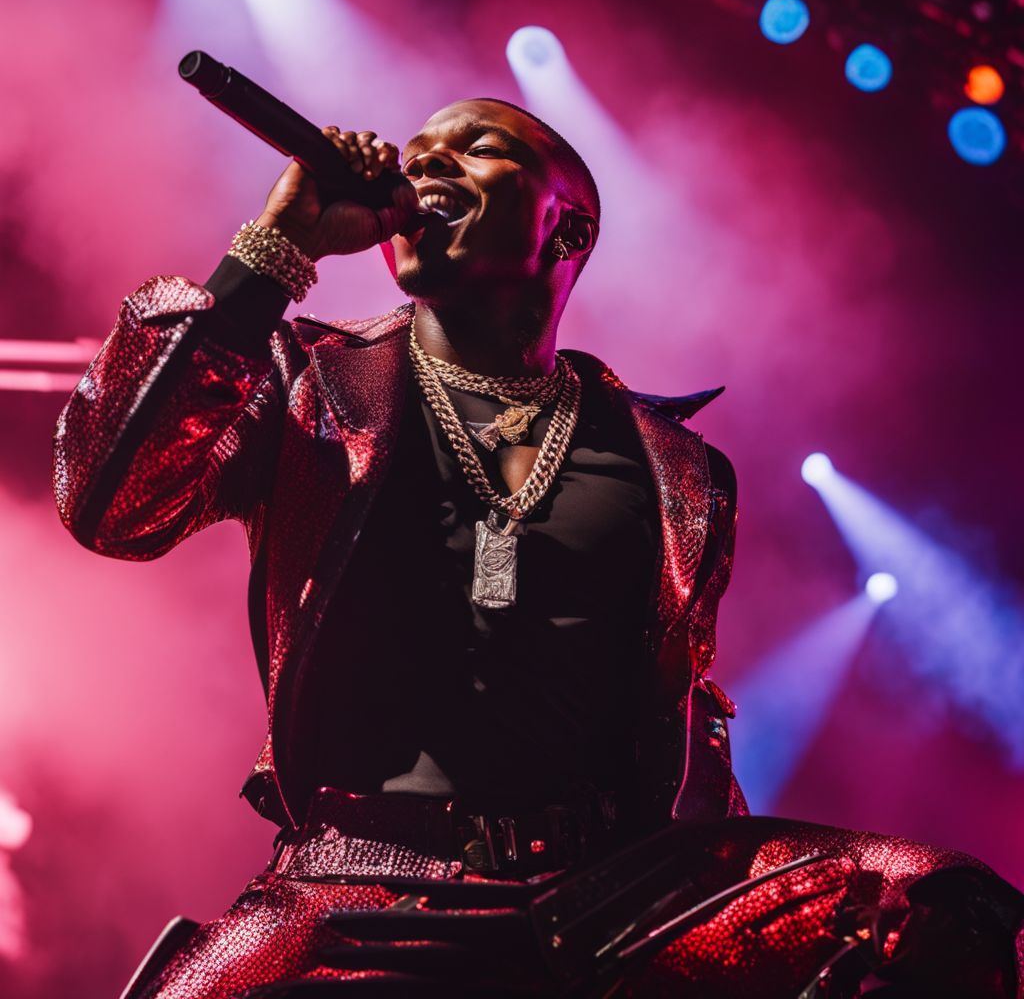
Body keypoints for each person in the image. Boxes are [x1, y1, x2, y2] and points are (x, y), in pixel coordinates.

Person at [53, 99, 1022, 998]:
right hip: (356, 884)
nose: (426, 155)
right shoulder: (308, 382)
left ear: (567, 230)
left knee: (948, 903)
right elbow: (111, 503)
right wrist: (271, 255)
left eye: (475, 146)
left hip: (605, 892)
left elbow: (678, 713)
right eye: (419, 147)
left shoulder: (677, 468)